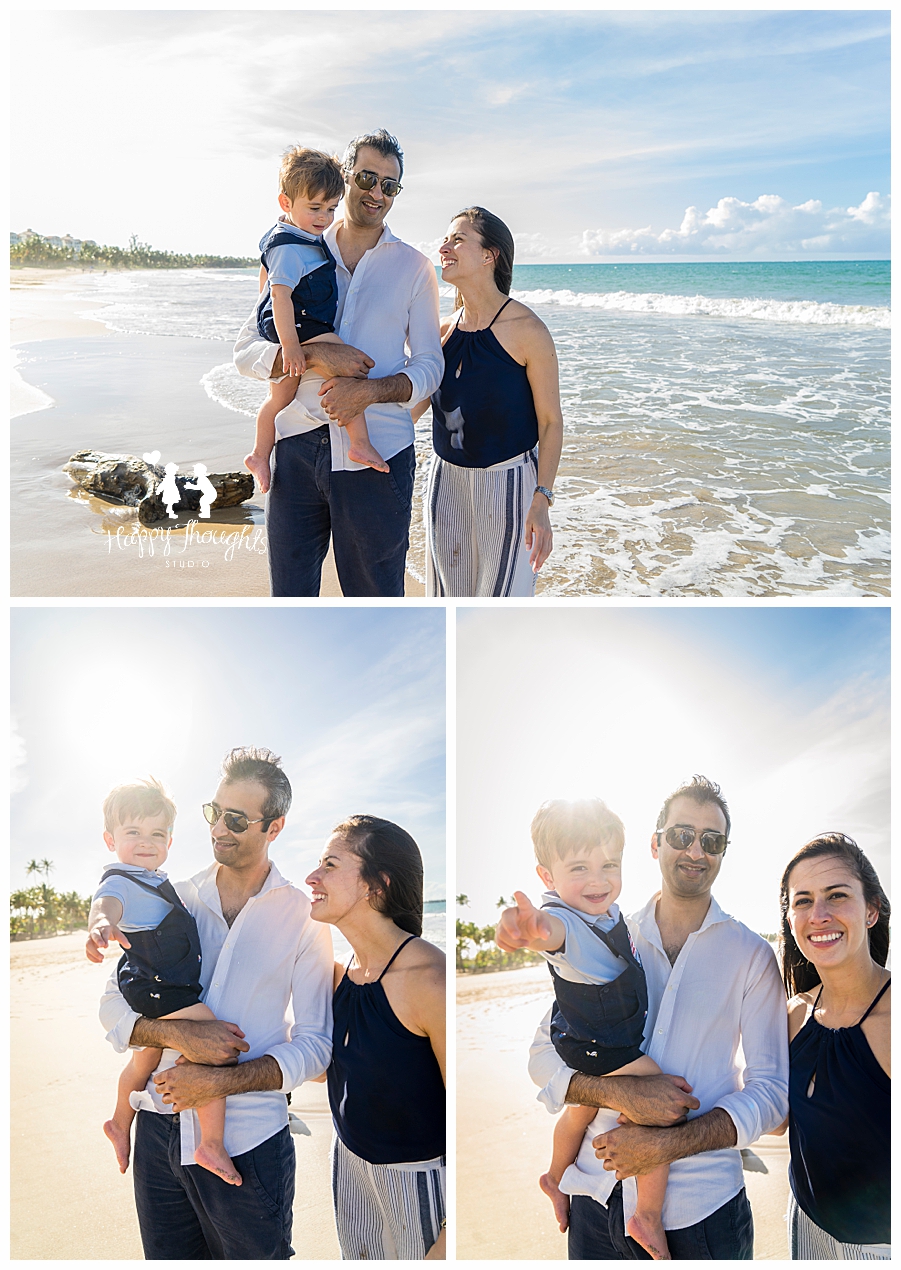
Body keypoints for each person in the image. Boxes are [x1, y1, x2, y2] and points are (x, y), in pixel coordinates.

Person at [517, 775, 788, 1260]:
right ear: (655, 842)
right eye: (682, 835)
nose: (696, 851)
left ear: (724, 851)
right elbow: (545, 1052)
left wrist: (670, 1144)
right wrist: (614, 1092)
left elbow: (771, 1094)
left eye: (713, 840)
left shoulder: (752, 955)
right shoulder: (601, 932)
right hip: (593, 1201)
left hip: (703, 1211)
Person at [88, 747, 333, 1261]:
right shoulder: (172, 896)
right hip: (157, 1127)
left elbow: (315, 1046)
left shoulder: (304, 915)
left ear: (276, 826)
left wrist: (222, 1079)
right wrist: (174, 1035)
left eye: (237, 819)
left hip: (250, 1142)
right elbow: (115, 1003)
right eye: (214, 813)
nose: (219, 827)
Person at [233, 128, 443, 597]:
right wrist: (311, 355)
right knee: (290, 599)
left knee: (375, 604)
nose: (377, 193)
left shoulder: (414, 267)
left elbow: (431, 367)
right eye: (368, 177)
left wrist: (369, 391)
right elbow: (245, 351)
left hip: (379, 458)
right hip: (294, 449)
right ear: (345, 176)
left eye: (390, 185)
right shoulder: (292, 246)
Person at [497, 798, 671, 1259]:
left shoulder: (609, 914)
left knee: (577, 1112)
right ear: (547, 878)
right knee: (663, 1099)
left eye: (609, 864)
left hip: (582, 1038)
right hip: (601, 1044)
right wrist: (529, 926)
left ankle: (555, 1177)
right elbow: (550, 932)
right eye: (579, 868)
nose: (598, 880)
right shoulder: (566, 921)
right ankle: (647, 1213)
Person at [305, 814, 446, 1260]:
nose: (313, 877)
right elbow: (327, 1071)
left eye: (329, 864)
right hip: (347, 1163)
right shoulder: (336, 974)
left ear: (374, 885)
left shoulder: (429, 978)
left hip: (416, 1179)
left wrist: (448, 1239)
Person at [88, 778, 239, 1185]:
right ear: (110, 839)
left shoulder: (156, 881)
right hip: (157, 985)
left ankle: (120, 1121)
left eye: (157, 833)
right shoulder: (121, 881)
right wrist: (102, 923)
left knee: (146, 1057)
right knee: (212, 1037)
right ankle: (211, 1141)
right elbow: (106, 903)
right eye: (132, 832)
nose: (145, 842)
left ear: (170, 840)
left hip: (151, 983)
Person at [411, 207, 563, 597]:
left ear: (488, 255)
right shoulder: (441, 332)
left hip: (509, 483)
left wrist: (541, 501)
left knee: (498, 610)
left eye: (457, 239)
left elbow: (550, 422)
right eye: (445, 239)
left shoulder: (527, 330)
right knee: (447, 602)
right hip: (446, 483)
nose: (444, 247)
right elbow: (415, 406)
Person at [245, 146, 388, 492]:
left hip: (298, 323)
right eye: (314, 208)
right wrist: (292, 348)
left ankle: (259, 454)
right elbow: (277, 296)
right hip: (298, 324)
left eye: (330, 208)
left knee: (279, 398)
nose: (324, 217)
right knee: (348, 364)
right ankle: (360, 441)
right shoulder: (289, 247)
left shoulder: (303, 239)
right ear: (286, 203)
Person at [779, 833, 891, 1259]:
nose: (818, 915)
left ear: (871, 910)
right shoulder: (794, 1016)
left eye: (837, 895)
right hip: (805, 1226)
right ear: (790, 918)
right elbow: (776, 1123)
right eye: (803, 901)